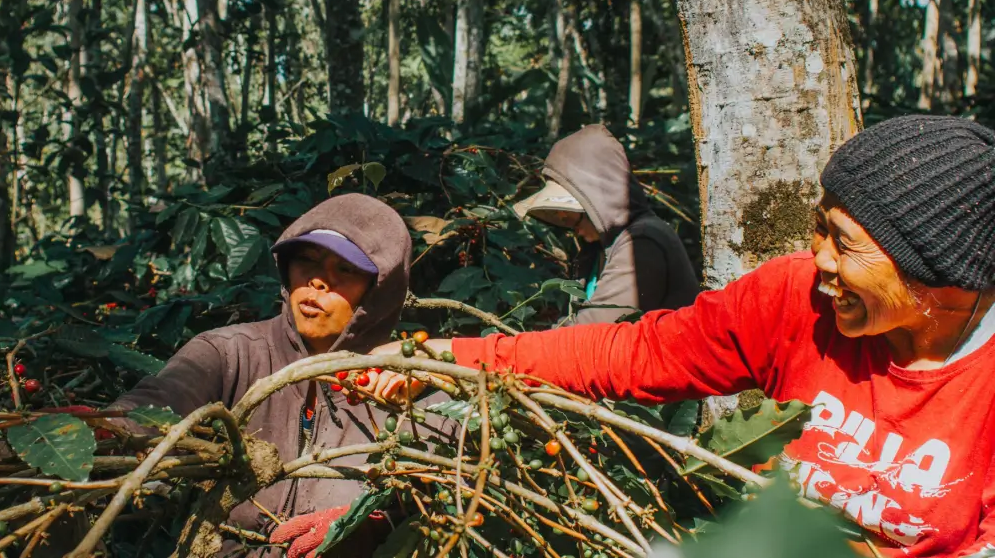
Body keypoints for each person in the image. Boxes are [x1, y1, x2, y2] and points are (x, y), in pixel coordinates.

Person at [365, 115, 995, 557]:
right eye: (820, 228)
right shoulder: (793, 298)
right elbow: (631, 351)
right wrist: (446, 357)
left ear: (940, 275)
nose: (819, 257)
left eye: (846, 244)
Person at [110, 193, 413, 557]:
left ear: (379, 291)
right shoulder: (229, 352)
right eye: (307, 261)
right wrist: (107, 428)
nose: (317, 281)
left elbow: (427, 498)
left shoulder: (406, 382)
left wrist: (368, 522)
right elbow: (158, 401)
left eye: (345, 270)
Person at [513, 124, 699, 323]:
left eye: (573, 217)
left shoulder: (643, 240)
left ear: (596, 204)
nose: (573, 230)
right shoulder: (600, 248)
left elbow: (595, 330)